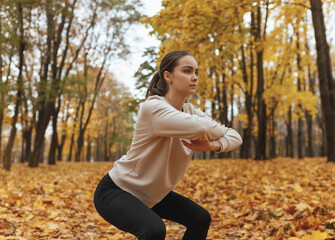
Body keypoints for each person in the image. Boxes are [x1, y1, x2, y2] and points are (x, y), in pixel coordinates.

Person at [93, 50, 243, 240]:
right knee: (154, 230)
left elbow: (235, 136)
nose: (194, 77)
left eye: (196, 72)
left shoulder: (189, 110)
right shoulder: (153, 108)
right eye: (187, 71)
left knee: (200, 218)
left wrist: (213, 146)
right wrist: (217, 131)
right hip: (117, 190)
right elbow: (201, 127)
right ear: (168, 76)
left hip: (152, 194)